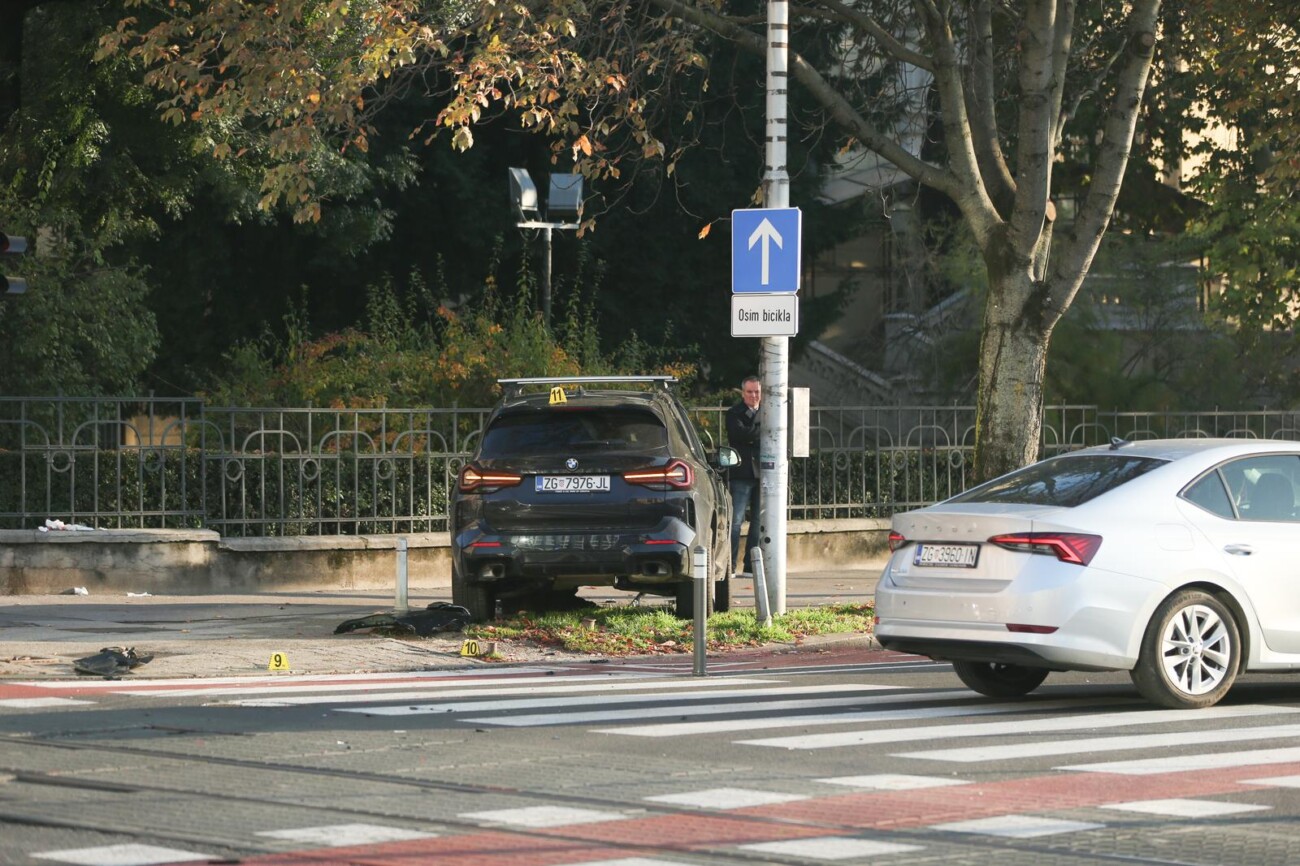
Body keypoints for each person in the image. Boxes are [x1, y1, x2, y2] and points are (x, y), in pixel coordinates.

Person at [726, 375, 762, 573]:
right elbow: (739, 435)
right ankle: (730, 566)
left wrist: (752, 432)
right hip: (742, 472)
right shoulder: (734, 412)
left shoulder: (770, 411)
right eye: (749, 392)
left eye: (757, 391)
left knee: (759, 522)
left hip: (764, 472)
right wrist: (761, 428)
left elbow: (778, 435)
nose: (754, 395)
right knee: (736, 521)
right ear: (743, 393)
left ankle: (751, 567)